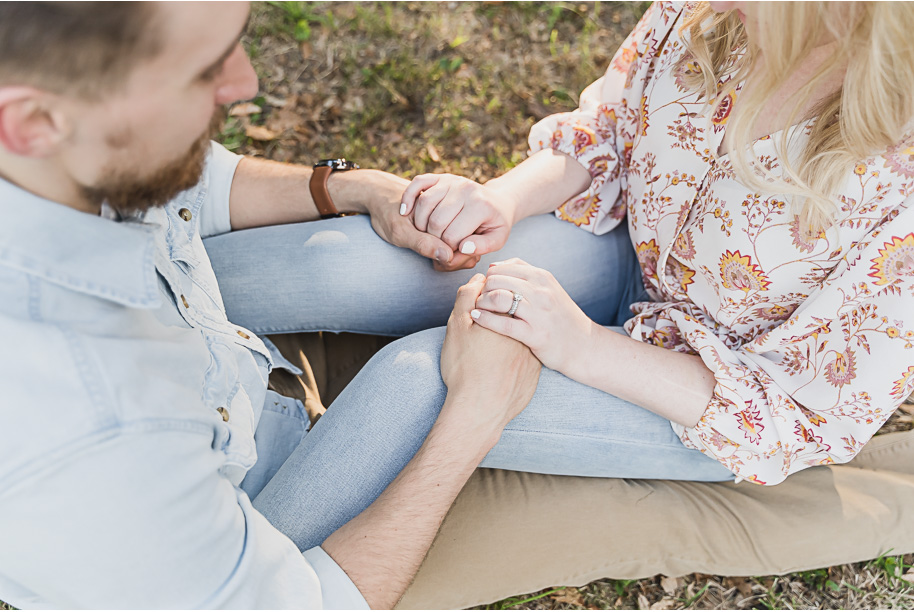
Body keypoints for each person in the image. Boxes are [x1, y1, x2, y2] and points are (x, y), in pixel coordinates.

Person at [0, 2, 544, 608]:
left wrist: (355, 188)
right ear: (32, 120)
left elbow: (186, 184)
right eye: (200, 70)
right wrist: (476, 418)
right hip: (258, 543)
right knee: (433, 379)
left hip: (244, 379)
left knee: (388, 278)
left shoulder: (56, 150)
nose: (246, 84)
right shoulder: (88, 433)